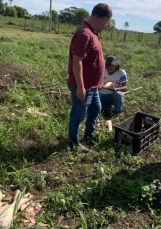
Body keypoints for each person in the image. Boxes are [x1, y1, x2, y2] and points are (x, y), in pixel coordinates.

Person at [67, 3, 112, 153]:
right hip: (84, 86)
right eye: (108, 23)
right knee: (79, 114)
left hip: (93, 86)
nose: (107, 26)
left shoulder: (93, 33)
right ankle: (73, 142)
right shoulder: (85, 33)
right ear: (103, 19)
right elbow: (77, 61)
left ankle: (89, 134)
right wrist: (80, 87)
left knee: (96, 108)